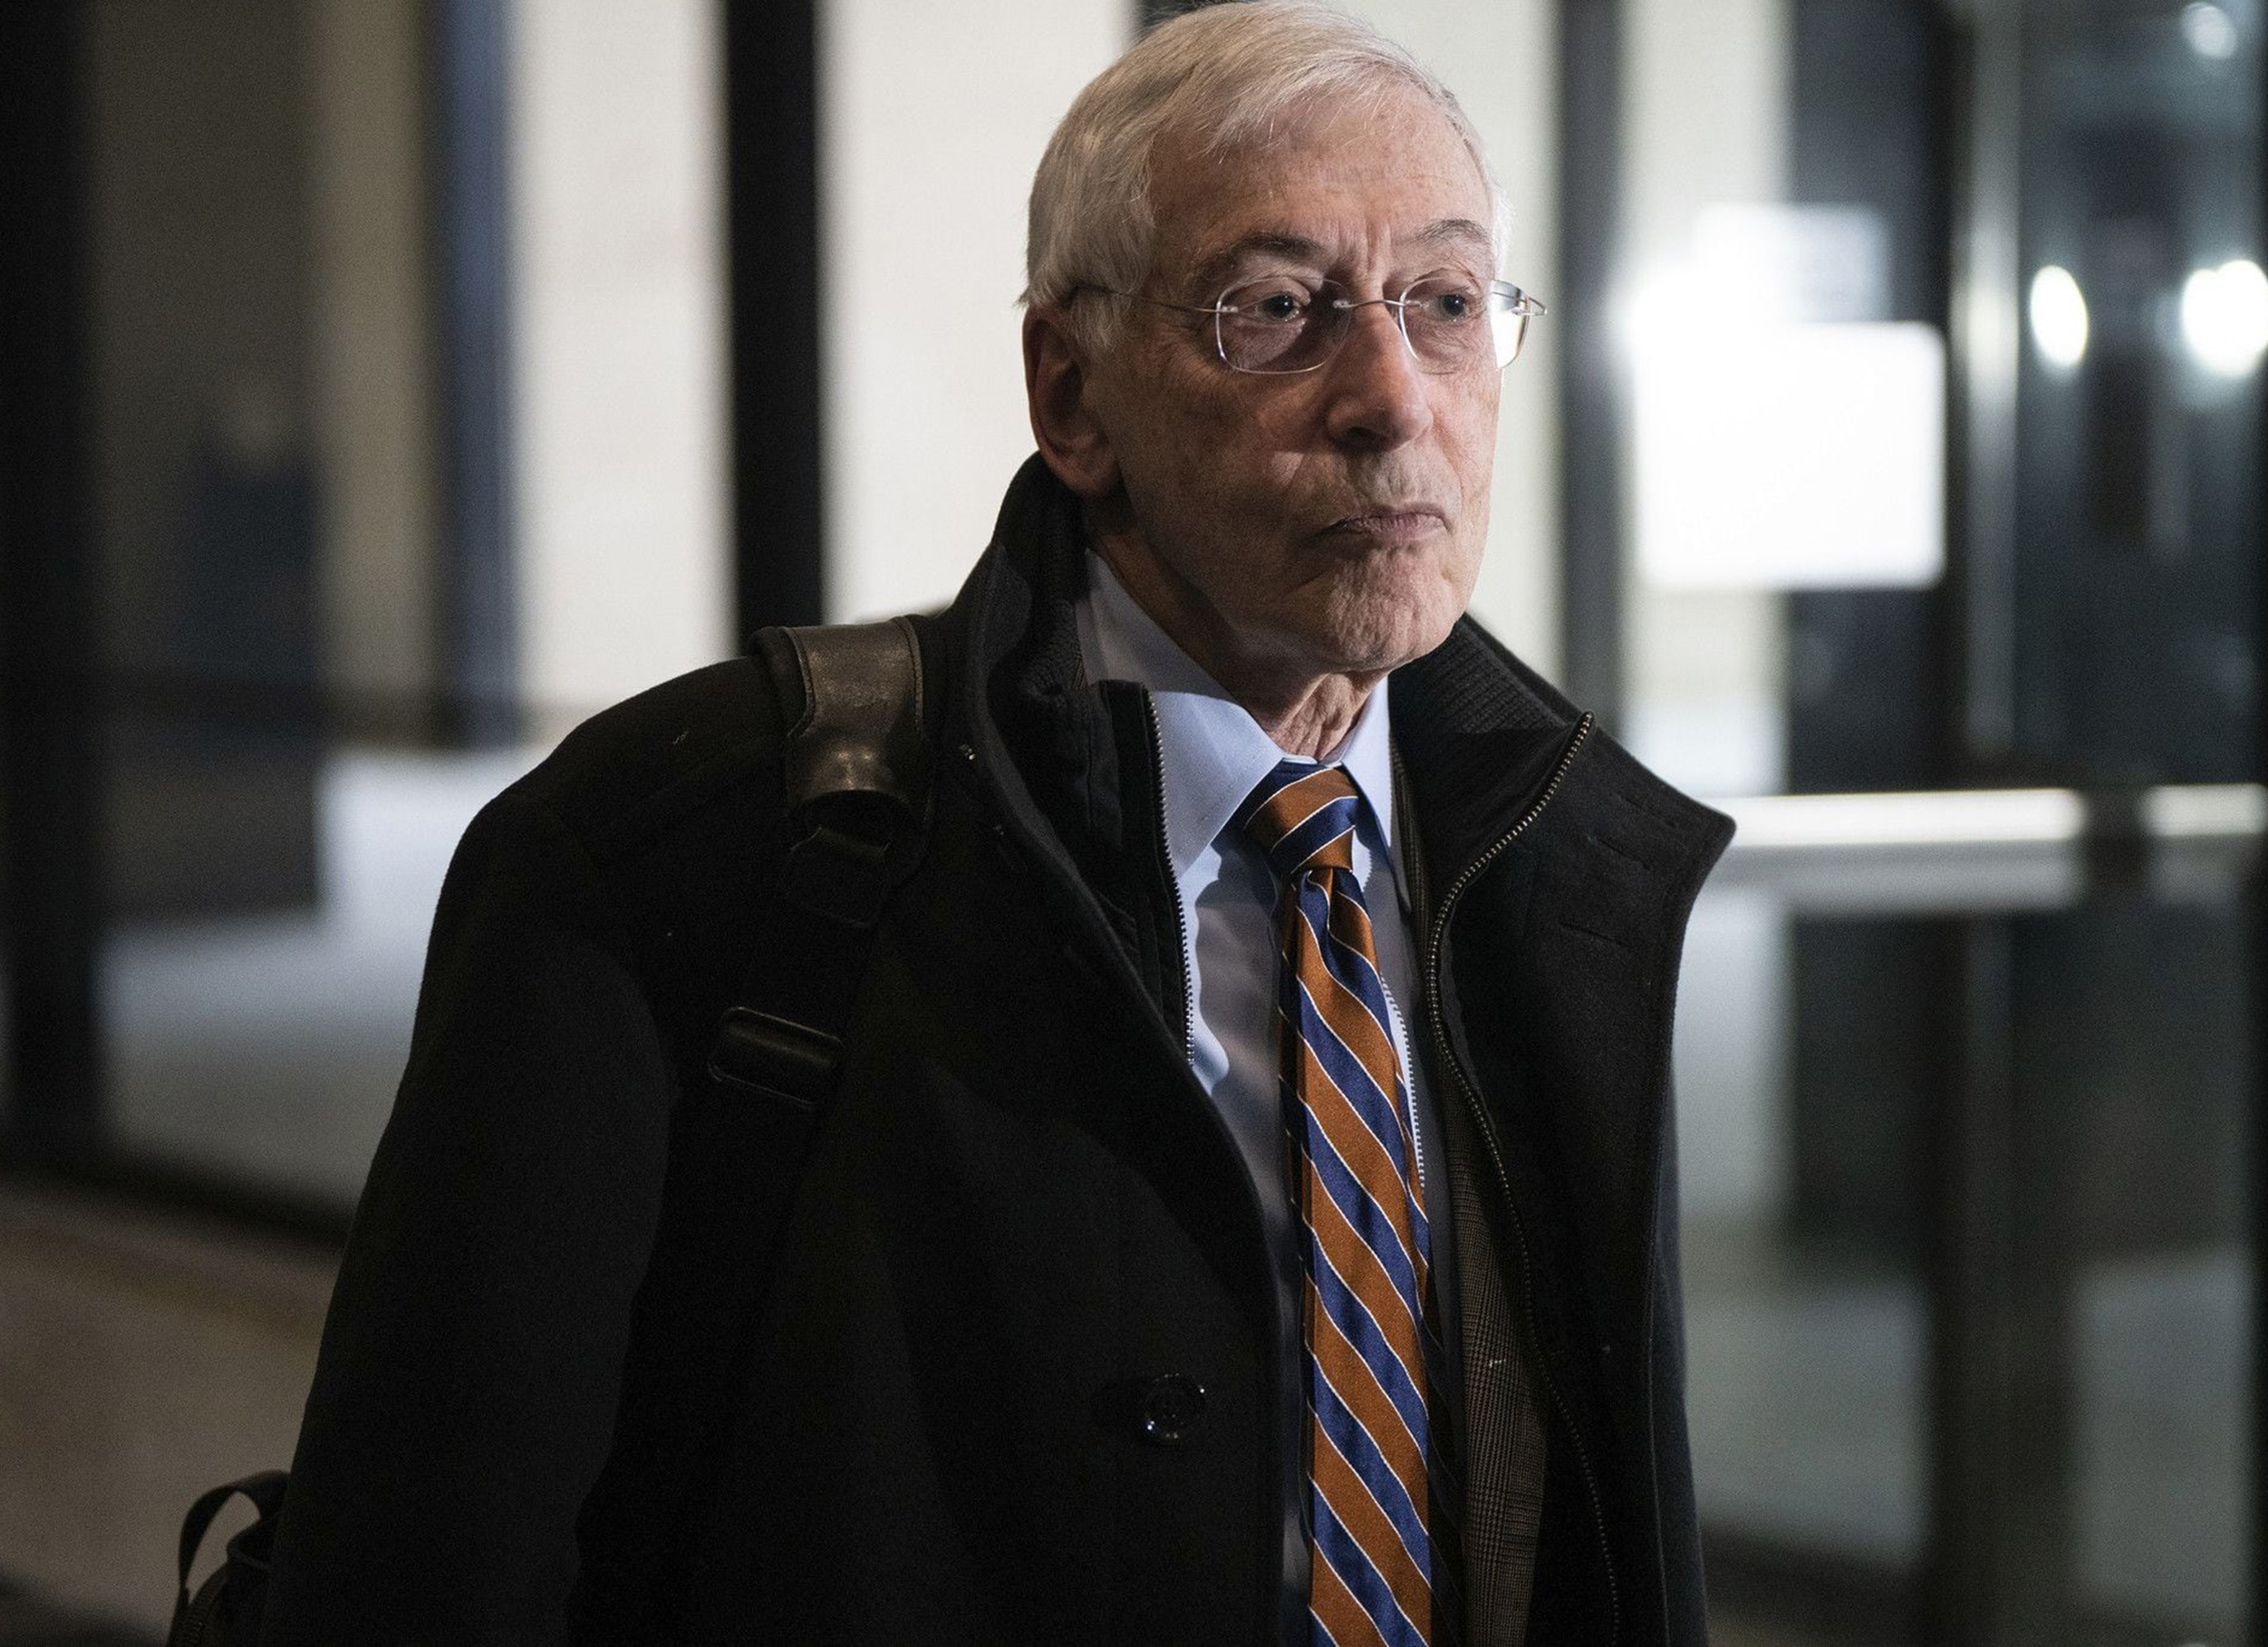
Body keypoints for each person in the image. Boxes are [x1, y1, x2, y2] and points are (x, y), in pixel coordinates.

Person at [262, 4, 1731, 1642]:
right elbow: (421, 1573)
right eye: (1277, 310)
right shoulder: (677, 845)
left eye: (1446, 303)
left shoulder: (1567, 870)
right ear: (1072, 390)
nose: (1394, 397)